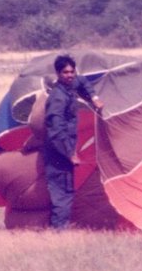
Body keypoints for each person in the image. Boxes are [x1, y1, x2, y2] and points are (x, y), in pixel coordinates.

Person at [44, 54, 104, 230]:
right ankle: (58, 231)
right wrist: (69, 154)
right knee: (62, 192)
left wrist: (94, 98)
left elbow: (83, 82)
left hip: (67, 148)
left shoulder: (70, 85)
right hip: (58, 151)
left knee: (67, 190)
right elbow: (55, 130)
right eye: (65, 73)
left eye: (72, 72)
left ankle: (60, 228)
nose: (70, 75)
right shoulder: (58, 97)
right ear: (58, 74)